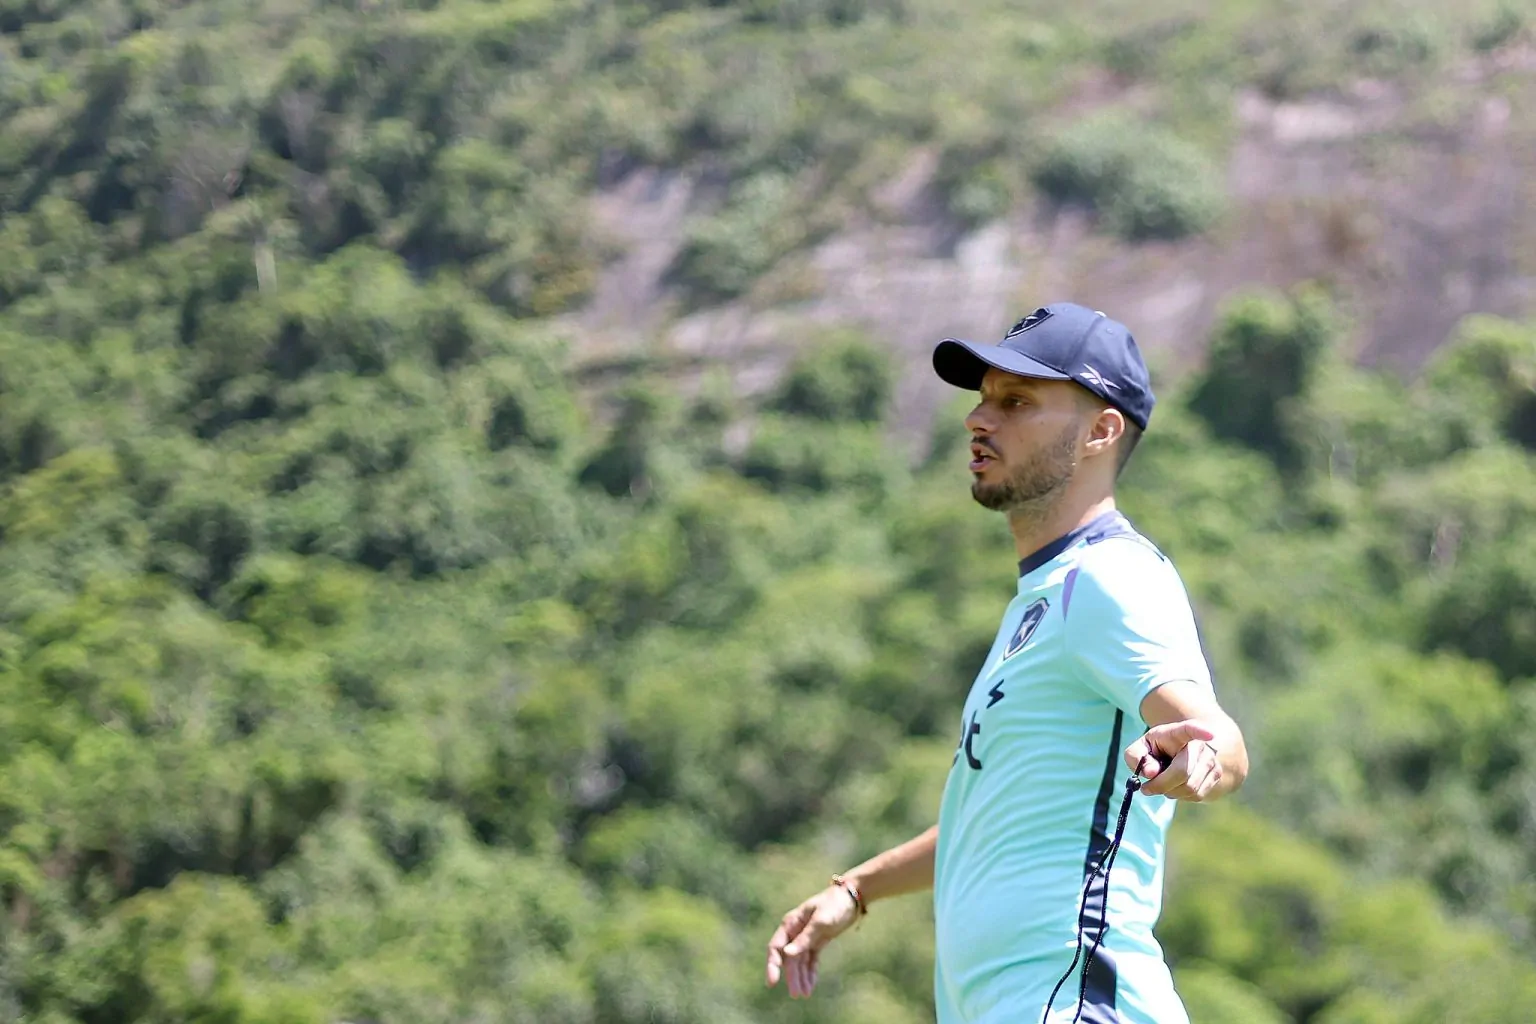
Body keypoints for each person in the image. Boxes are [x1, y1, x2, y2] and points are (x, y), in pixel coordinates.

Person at [764, 302, 1249, 1023]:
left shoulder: (1108, 579)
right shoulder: (1043, 599)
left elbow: (1219, 741)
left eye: (1017, 401)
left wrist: (1202, 759)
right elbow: (992, 824)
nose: (979, 419)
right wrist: (858, 889)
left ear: (1101, 430)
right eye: (984, 397)